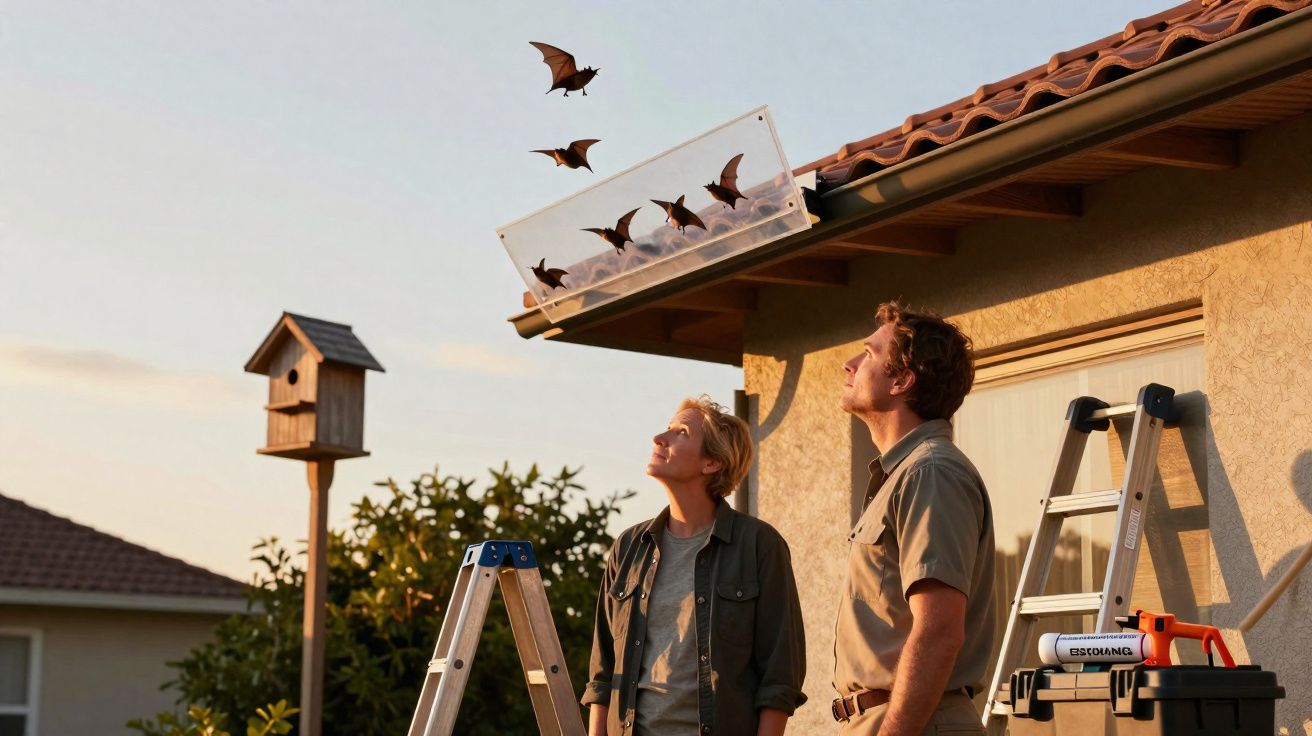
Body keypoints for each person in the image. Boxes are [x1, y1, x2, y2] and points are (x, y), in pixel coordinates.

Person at [583, 395, 807, 736]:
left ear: (712, 463)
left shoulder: (759, 545)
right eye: (667, 429)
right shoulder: (629, 547)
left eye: (681, 432)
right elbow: (602, 675)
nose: (660, 438)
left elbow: (780, 676)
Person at [832, 302, 996, 736]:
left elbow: (939, 631)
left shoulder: (931, 472)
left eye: (868, 354)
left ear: (903, 380)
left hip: (915, 724)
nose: (848, 365)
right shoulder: (906, 474)